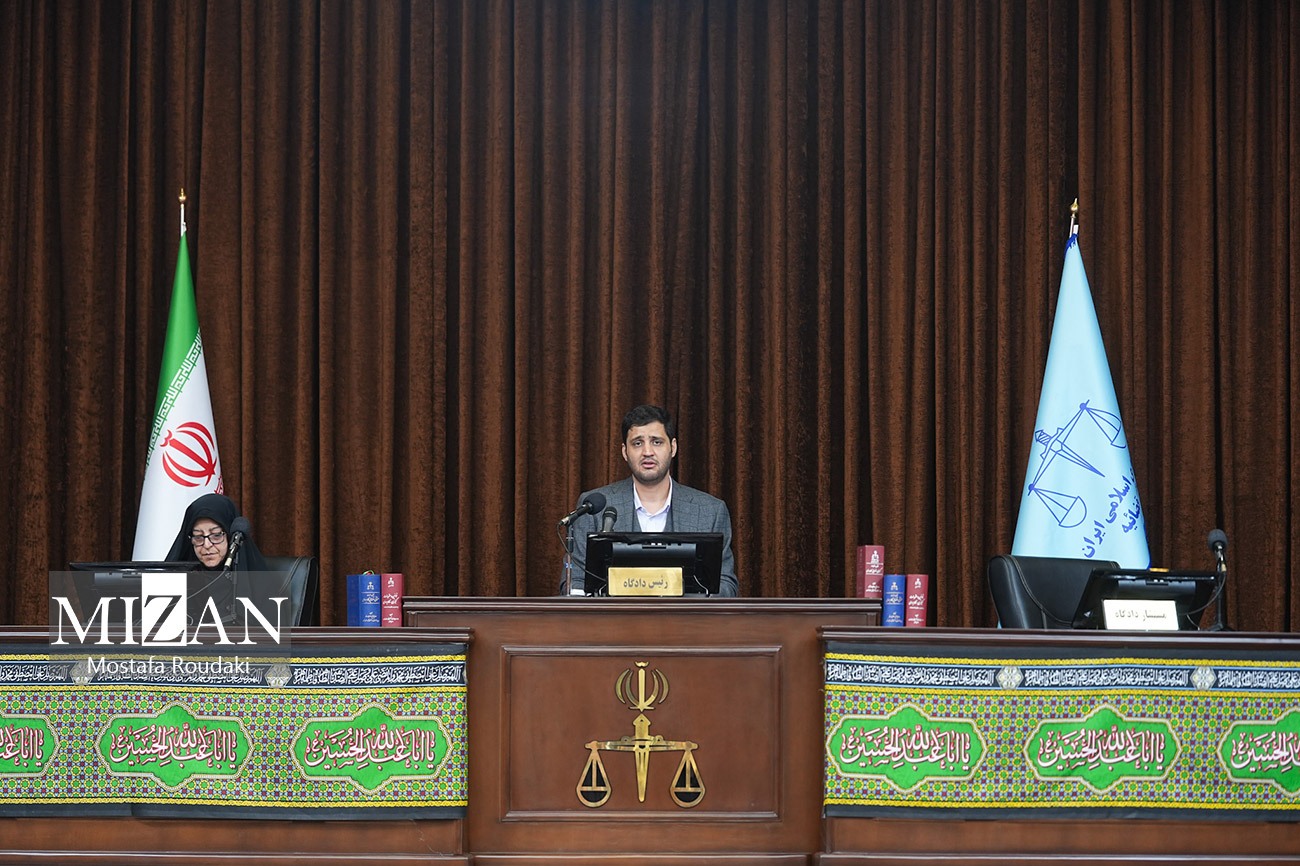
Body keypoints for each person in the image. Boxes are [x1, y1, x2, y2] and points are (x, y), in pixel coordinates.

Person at [563, 404, 738, 596]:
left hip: (686, 616)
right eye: (637, 443)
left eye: (657, 442)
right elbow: (574, 583)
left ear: (673, 447)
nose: (647, 451)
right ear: (625, 452)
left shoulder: (709, 511)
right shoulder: (593, 508)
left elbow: (726, 585)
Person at [164, 493, 271, 623]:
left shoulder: (258, 582)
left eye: (216, 535)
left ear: (230, 536)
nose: (207, 545)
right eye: (198, 536)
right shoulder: (177, 581)